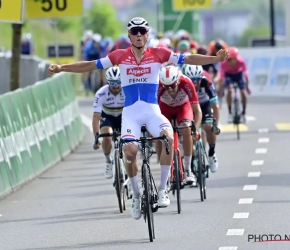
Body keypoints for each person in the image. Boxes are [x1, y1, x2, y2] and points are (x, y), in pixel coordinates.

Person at [47, 17, 229, 220]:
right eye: (135, 32)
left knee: (168, 138)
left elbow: (188, 59)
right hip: (131, 114)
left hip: (152, 111)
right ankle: (135, 195)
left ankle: (162, 189)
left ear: (148, 34)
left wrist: (215, 59)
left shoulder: (159, 54)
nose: (139, 35)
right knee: (130, 152)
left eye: (143, 31)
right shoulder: (119, 56)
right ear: (129, 35)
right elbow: (90, 65)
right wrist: (62, 68)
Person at [157, 65, 202, 185]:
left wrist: (195, 130)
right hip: (164, 108)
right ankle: (164, 170)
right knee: (158, 136)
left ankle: (188, 170)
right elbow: (153, 110)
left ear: (177, 80)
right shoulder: (158, 85)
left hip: (183, 107)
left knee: (187, 129)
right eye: (166, 87)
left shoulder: (186, 82)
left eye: (172, 85)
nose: (170, 89)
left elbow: (197, 111)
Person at [182, 65, 220, 173]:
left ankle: (212, 153)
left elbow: (215, 106)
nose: (194, 84)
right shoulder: (181, 84)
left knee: (208, 126)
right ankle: (192, 160)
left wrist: (215, 124)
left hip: (204, 105)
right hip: (189, 107)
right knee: (188, 133)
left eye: (197, 80)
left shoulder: (206, 83)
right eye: (191, 80)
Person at [92, 66, 124, 178]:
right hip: (107, 117)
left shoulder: (127, 90)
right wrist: (96, 137)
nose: (115, 85)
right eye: (112, 83)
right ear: (107, 82)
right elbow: (96, 117)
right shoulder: (101, 93)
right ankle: (108, 161)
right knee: (107, 137)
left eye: (118, 82)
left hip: (123, 116)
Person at [218, 47, 250, 123]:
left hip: (239, 75)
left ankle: (244, 112)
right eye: (230, 59)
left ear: (237, 58)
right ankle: (230, 112)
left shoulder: (241, 61)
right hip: (229, 75)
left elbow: (246, 75)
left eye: (234, 59)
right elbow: (222, 78)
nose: (232, 61)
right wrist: (221, 89)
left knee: (243, 92)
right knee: (229, 91)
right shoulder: (224, 64)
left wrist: (248, 86)